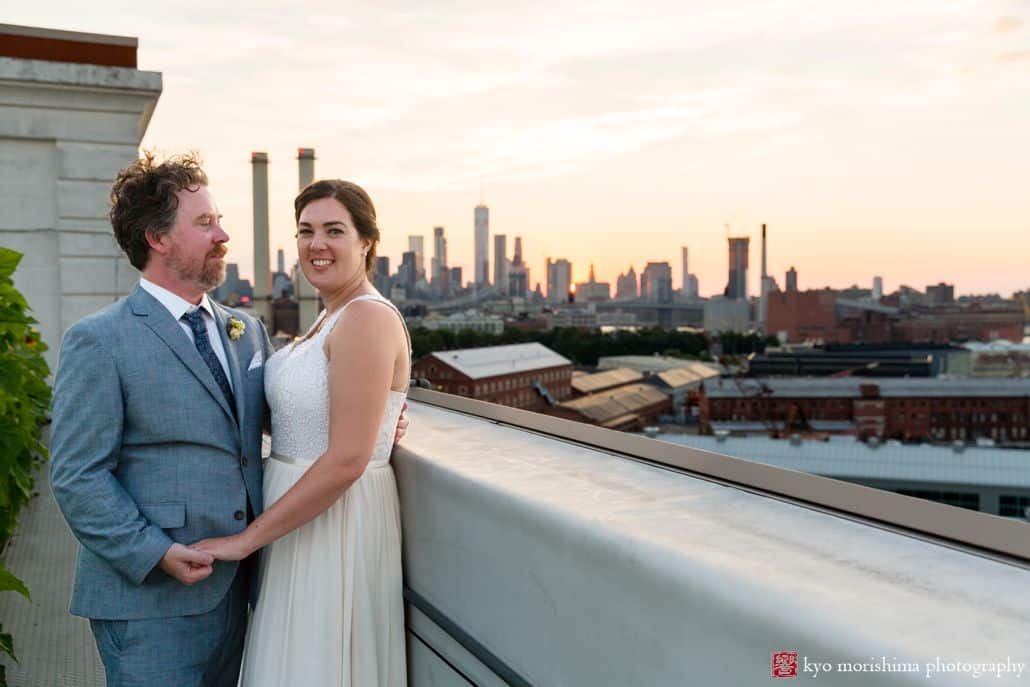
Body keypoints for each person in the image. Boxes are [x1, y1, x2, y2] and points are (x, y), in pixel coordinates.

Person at [49, 155, 407, 687]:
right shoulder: (100, 340)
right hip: (152, 601)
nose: (223, 234)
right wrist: (157, 553)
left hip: (248, 590)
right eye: (204, 223)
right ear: (157, 238)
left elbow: (286, 421)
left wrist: (377, 422)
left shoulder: (246, 331)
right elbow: (77, 476)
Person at [193, 179, 410, 686]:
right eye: (306, 231)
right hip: (295, 518)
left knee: (318, 663)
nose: (317, 244)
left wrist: (244, 541)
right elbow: (303, 414)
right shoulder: (328, 318)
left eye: (335, 230)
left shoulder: (366, 318)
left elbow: (348, 459)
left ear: (366, 242)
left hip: (334, 523)